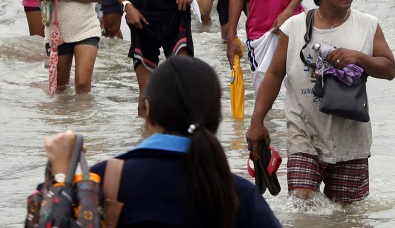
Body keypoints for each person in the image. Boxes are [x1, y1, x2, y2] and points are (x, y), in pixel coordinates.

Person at [41, 59, 281, 227]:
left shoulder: (104, 181)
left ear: (148, 111)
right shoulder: (237, 194)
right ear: (216, 119)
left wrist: (61, 179)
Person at [246, 0, 395, 204]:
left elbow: (389, 69)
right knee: (303, 203)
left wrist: (358, 58)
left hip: (351, 138)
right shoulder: (293, 27)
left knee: (347, 216)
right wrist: (256, 122)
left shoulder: (368, 25)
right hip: (303, 132)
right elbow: (273, 75)